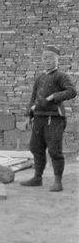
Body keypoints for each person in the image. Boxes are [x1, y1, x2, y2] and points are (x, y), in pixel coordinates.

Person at [20, 45, 76, 192]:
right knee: (36, 148)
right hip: (38, 118)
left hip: (54, 118)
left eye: (51, 58)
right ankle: (37, 178)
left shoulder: (61, 76)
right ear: (42, 60)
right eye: (45, 58)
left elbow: (72, 91)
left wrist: (54, 97)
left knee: (54, 150)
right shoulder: (40, 78)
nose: (48, 61)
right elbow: (33, 98)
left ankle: (58, 181)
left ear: (57, 59)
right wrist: (28, 117)